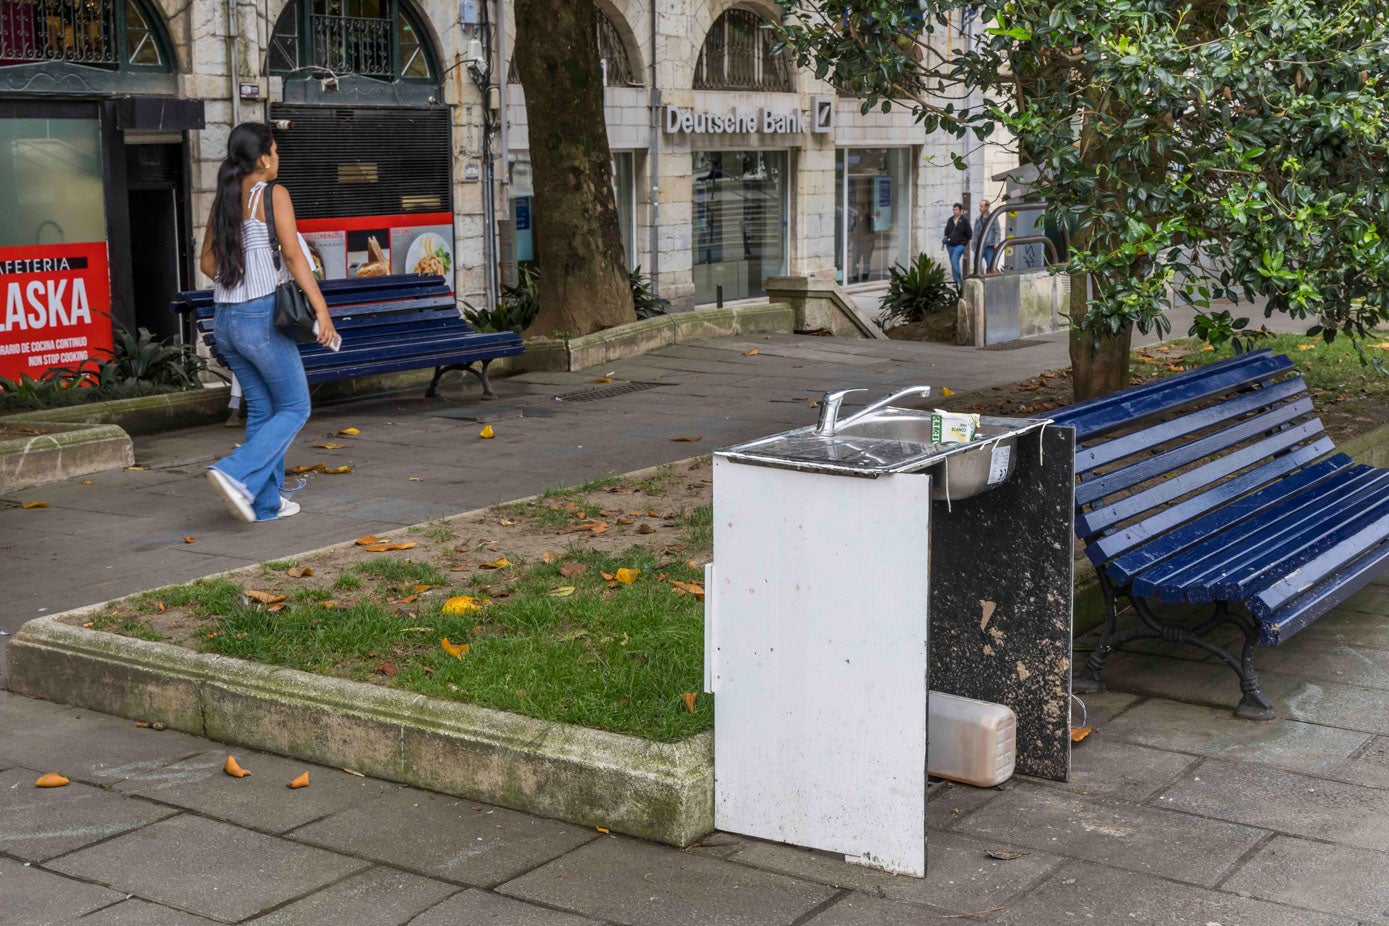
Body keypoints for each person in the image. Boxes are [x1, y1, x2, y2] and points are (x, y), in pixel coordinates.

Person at [198, 122, 336, 523]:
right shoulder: (274, 194)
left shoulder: (225, 196)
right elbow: (293, 257)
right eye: (275, 150)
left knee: (261, 408)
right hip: (259, 318)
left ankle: (264, 503)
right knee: (295, 406)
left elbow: (207, 262)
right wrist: (321, 310)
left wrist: (237, 280)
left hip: (225, 319)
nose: (279, 157)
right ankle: (235, 472)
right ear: (263, 158)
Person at [941, 203, 971, 285]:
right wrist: (943, 243)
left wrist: (967, 242)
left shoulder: (964, 221)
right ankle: (956, 281)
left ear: (960, 210)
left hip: (960, 245)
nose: (955, 211)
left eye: (956, 210)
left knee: (954, 260)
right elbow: (946, 232)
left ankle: (959, 282)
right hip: (950, 245)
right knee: (953, 263)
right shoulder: (950, 220)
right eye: (954, 210)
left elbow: (969, 233)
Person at [974, 200, 1002, 274]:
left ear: (987, 207)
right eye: (979, 206)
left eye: (981, 206)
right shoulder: (978, 219)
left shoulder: (993, 218)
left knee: (990, 266)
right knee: (977, 265)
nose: (979, 208)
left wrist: (996, 242)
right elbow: (975, 233)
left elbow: (997, 231)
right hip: (979, 246)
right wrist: (973, 244)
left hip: (989, 246)